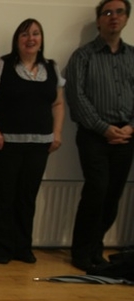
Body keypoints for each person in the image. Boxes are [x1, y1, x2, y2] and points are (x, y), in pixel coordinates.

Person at [0, 18, 65, 264]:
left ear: (41, 39)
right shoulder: (1, 65)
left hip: (39, 146)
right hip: (6, 145)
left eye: (35, 34)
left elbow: (57, 103)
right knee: (3, 197)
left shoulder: (52, 68)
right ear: (17, 40)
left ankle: (22, 246)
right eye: (24, 35)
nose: (30, 39)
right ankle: (0, 247)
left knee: (27, 197)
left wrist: (57, 133)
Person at [65, 0, 134, 272]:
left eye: (119, 12)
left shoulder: (132, 56)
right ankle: (81, 252)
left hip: (126, 135)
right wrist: (103, 128)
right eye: (107, 13)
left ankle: (96, 250)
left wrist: (129, 127)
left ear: (126, 18)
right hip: (94, 135)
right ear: (99, 21)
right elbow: (76, 97)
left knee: (112, 196)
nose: (113, 17)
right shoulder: (83, 56)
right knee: (96, 191)